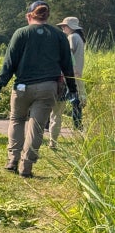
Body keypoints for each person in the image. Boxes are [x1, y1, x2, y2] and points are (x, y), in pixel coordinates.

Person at [0, 1, 78, 177]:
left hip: (22, 87)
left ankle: (12, 159)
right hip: (48, 87)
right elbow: (67, 65)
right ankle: (27, 166)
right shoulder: (58, 35)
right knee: (37, 127)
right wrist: (72, 89)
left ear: (29, 16)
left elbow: (9, 62)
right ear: (47, 16)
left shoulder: (21, 33)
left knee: (16, 120)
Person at [46, 16, 86, 147]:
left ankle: (50, 131)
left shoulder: (72, 37)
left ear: (71, 27)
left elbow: (66, 56)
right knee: (76, 103)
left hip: (68, 76)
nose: (63, 29)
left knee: (57, 107)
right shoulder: (79, 38)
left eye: (64, 26)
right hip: (77, 74)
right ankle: (78, 127)